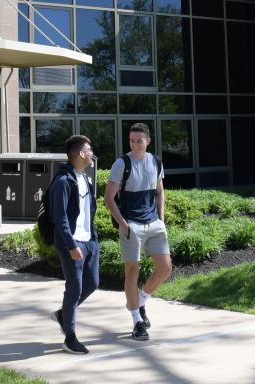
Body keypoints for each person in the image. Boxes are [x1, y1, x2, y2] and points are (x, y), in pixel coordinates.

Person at [104, 123, 172, 342]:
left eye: (139, 141)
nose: (134, 144)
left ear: (148, 141)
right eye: (131, 140)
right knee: (132, 271)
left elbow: (160, 191)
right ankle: (137, 322)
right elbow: (109, 198)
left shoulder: (156, 161)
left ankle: (141, 302)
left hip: (154, 223)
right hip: (131, 224)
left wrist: (161, 217)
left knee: (165, 269)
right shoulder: (121, 164)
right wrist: (124, 225)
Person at [49, 135, 100, 354]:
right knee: (74, 288)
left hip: (89, 242)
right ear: (80, 153)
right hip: (72, 244)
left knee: (93, 283)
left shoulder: (85, 178)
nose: (92, 154)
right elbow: (59, 218)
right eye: (89, 150)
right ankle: (70, 336)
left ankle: (63, 314)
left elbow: (89, 212)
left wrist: (94, 240)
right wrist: (71, 245)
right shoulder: (62, 182)